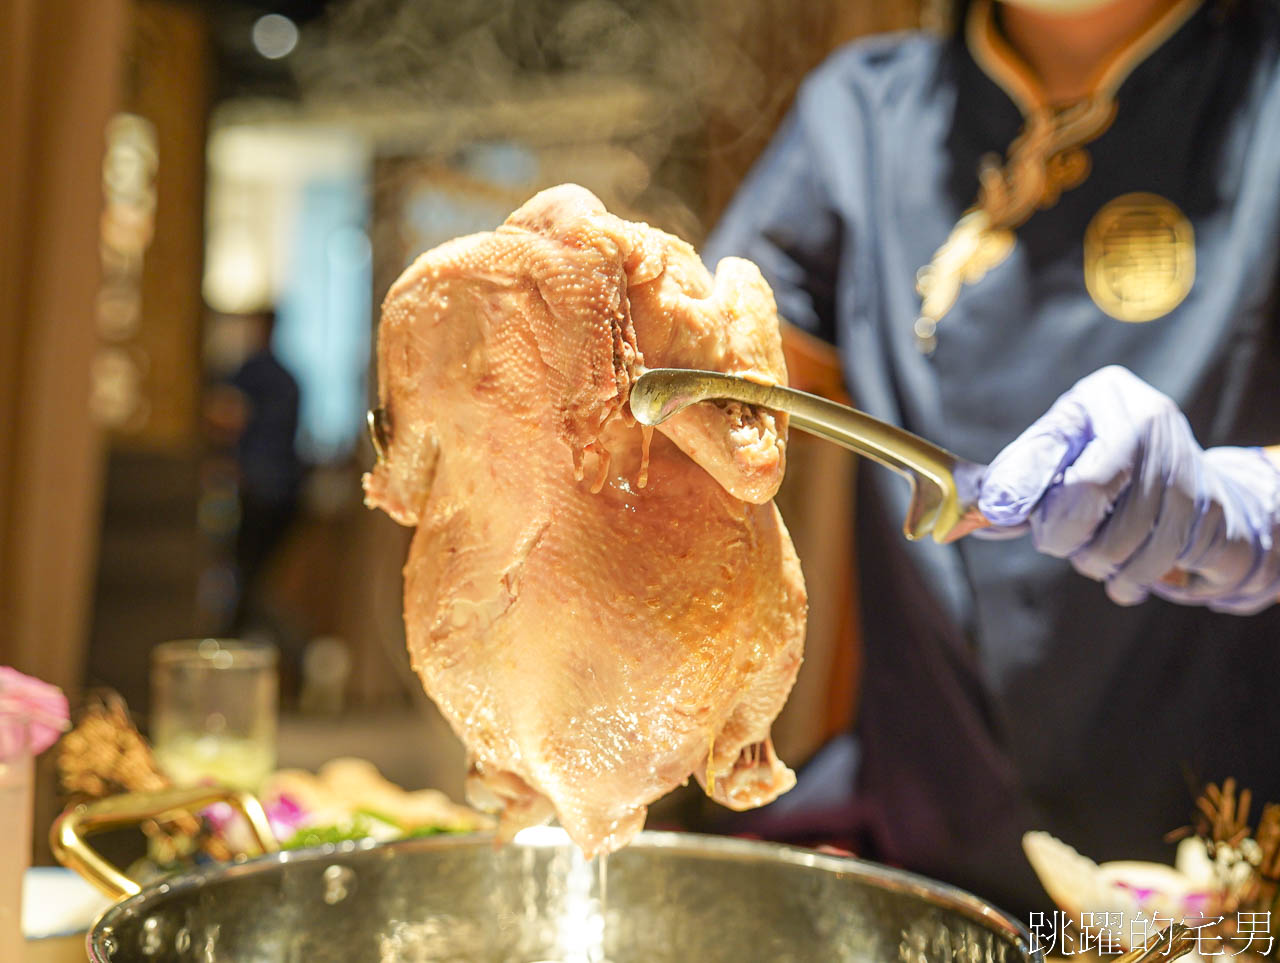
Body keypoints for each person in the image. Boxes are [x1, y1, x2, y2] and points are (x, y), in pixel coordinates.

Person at [704, 0, 1280, 914]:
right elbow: (715, 384)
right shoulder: (865, 112)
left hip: (1232, 874)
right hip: (926, 843)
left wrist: (1250, 509)